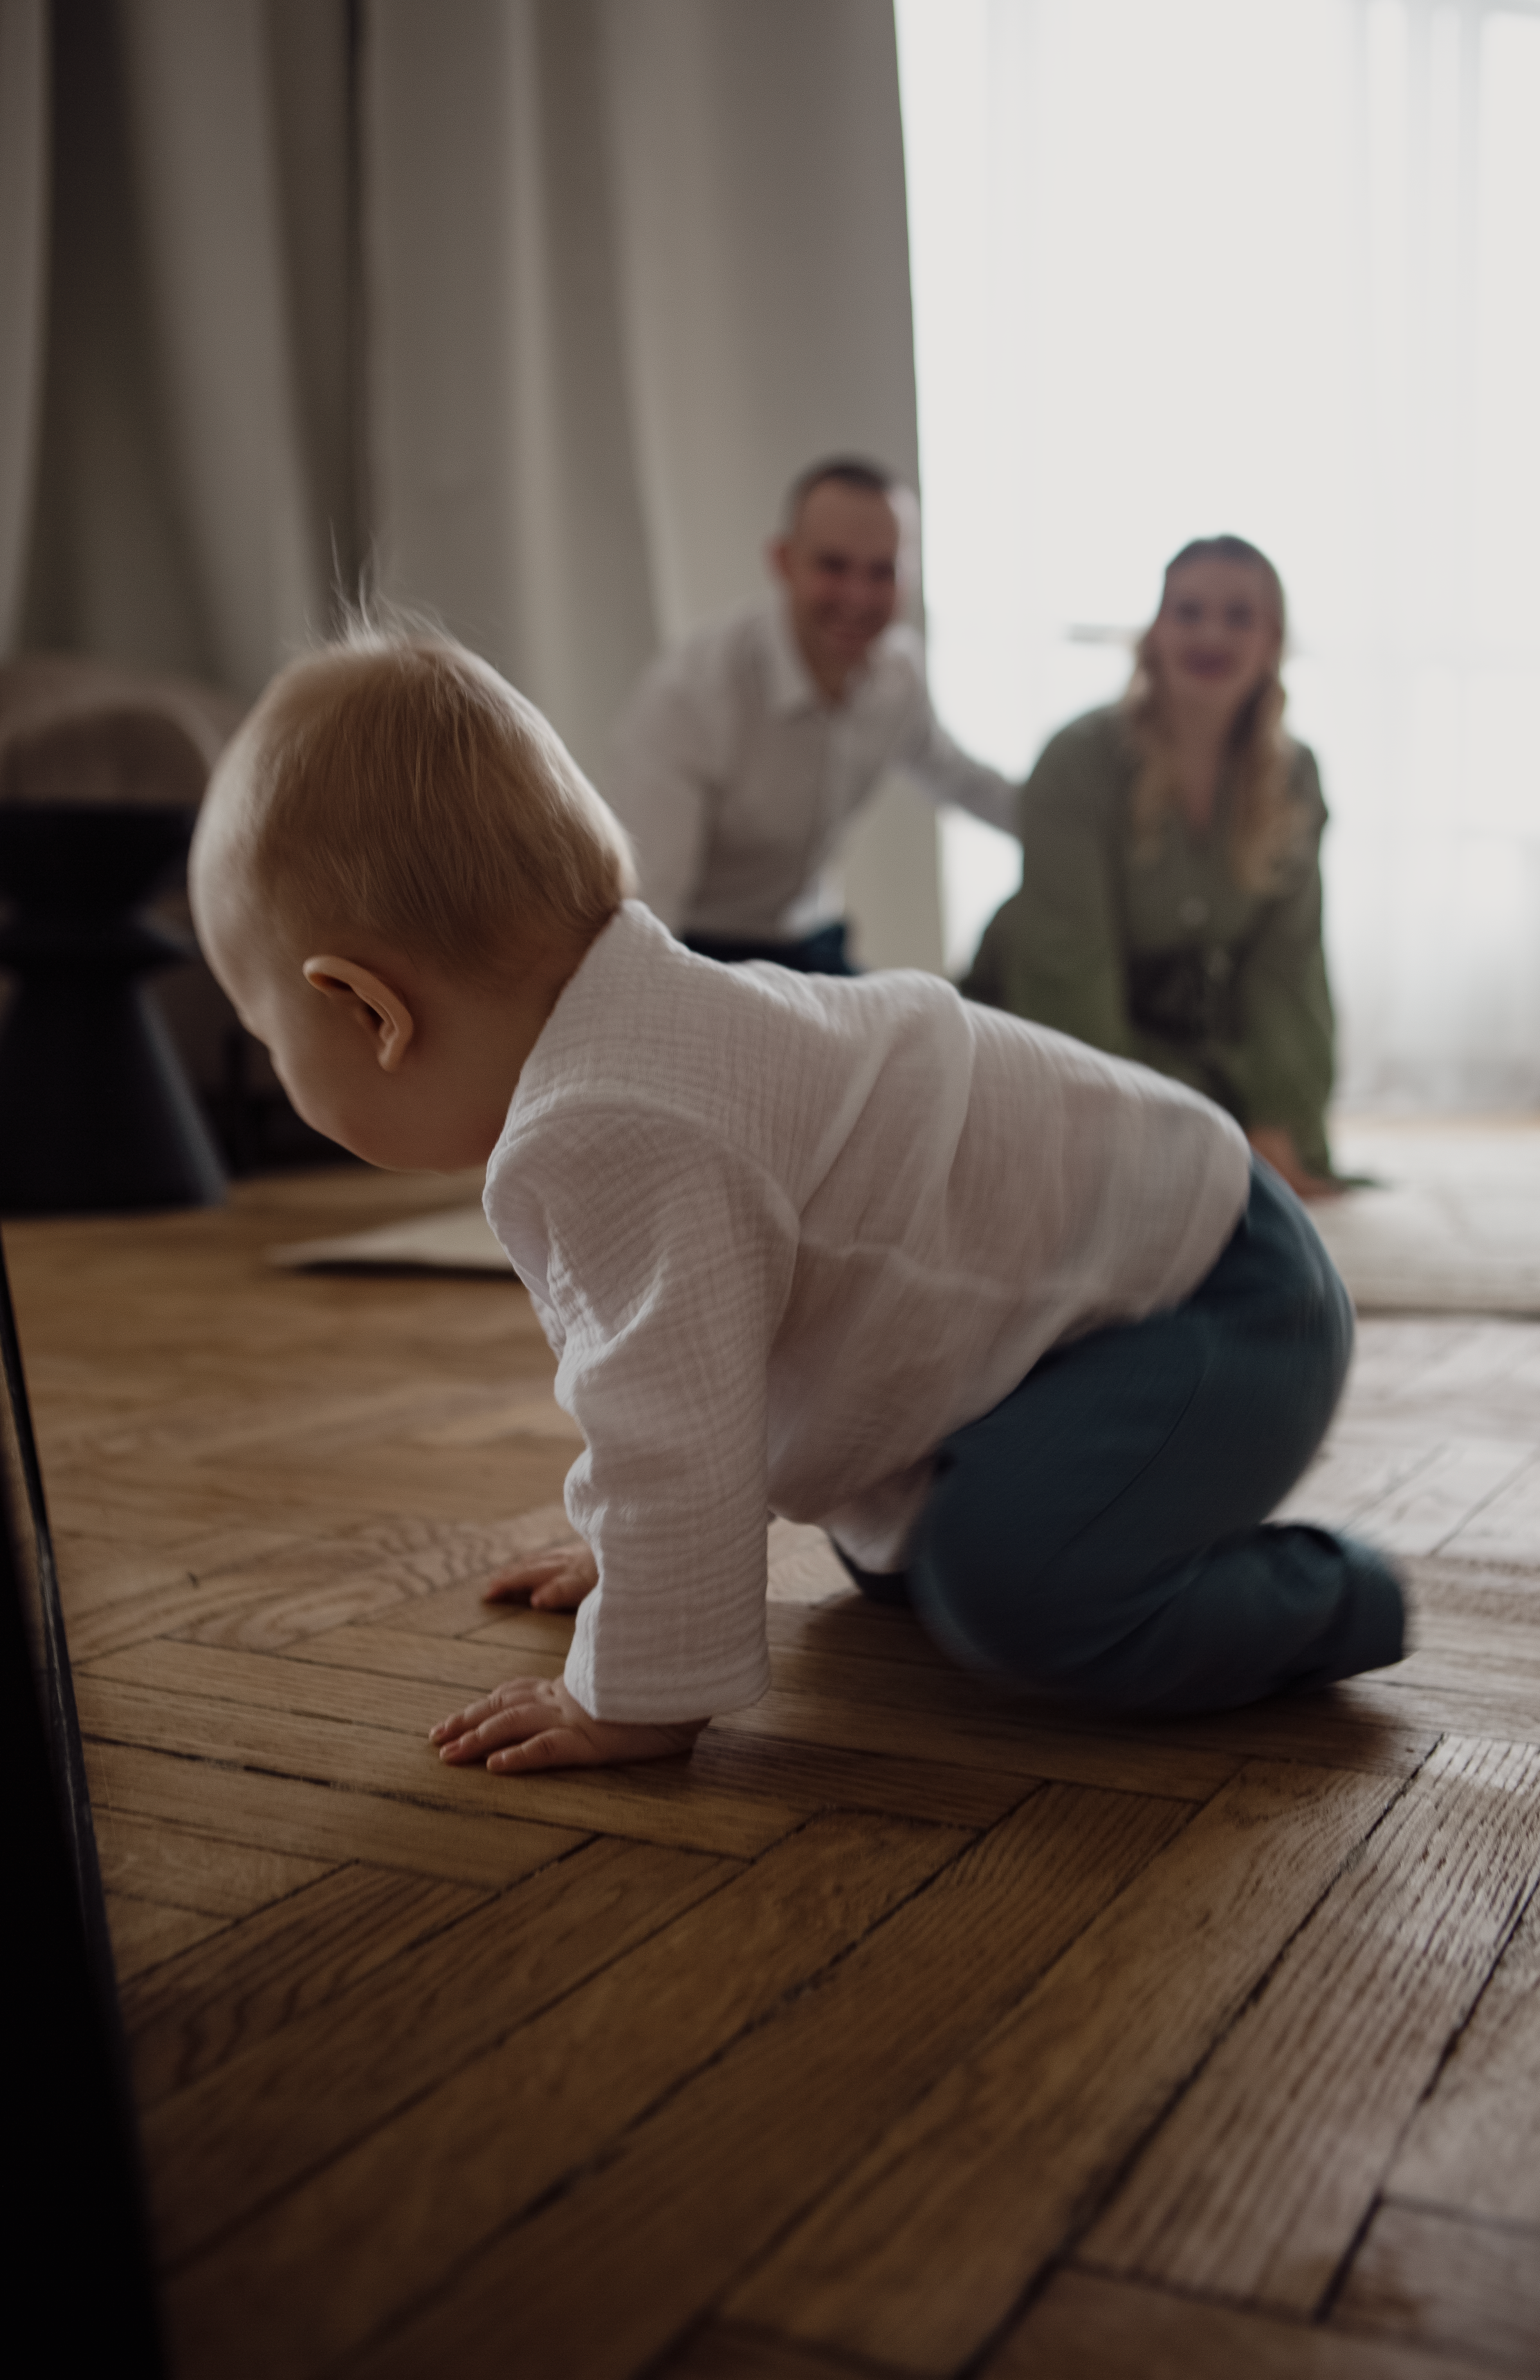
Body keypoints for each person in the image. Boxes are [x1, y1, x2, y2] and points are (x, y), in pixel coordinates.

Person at [188, 620, 1403, 1775]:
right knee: (897, 1557)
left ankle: (1339, 1597)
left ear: (369, 1010)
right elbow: (702, 1370)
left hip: (1217, 1297)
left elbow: (675, 1430)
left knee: (1014, 1591)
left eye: (265, 1034)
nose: (275, 1063)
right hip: (1121, 1283)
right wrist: (632, 1557)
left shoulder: (620, 1120)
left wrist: (632, 1684)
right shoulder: (637, 1040)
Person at [965, 536, 1339, 1197]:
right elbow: (1069, 976)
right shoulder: (1076, 762)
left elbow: (1289, 970)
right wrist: (1139, 1124)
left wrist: (1277, 1114)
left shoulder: (1294, 777)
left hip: (1192, 1045)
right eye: (1188, 612)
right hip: (1062, 1027)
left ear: (1273, 641)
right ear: (1155, 633)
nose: (1211, 635)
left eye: (1238, 616)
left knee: (1269, 1163)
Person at [605, 456, 1018, 975]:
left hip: (808, 942)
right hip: (698, 951)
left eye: (882, 572)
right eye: (834, 567)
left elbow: (961, 780)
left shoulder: (900, 676)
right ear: (783, 561)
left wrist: (1079, 822)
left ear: (910, 576)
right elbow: (648, 910)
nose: (858, 596)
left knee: (930, 1017)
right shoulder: (691, 698)